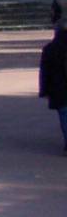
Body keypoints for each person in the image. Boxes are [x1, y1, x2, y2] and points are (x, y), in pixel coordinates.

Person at [41, 24, 67, 155]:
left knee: (64, 115)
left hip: (58, 88)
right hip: (59, 87)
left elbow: (45, 72)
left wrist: (44, 90)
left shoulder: (50, 49)